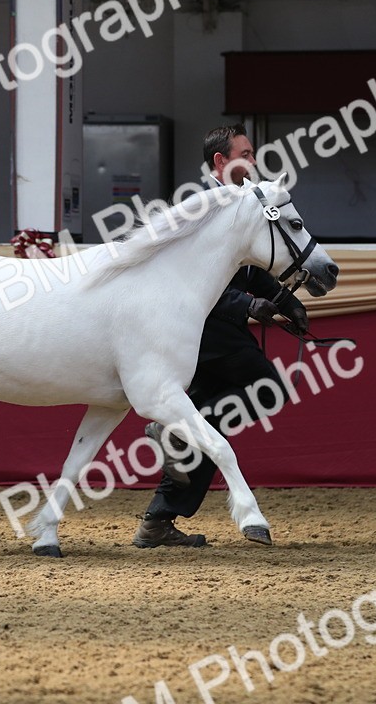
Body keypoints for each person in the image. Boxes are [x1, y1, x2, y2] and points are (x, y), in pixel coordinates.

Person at [132, 124, 309, 550]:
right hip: (202, 330)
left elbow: (251, 268)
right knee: (266, 388)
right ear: (220, 161)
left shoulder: (247, 201)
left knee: (206, 421)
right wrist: (246, 306)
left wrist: (287, 301)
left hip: (216, 329)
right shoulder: (198, 207)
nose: (253, 160)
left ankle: (158, 519)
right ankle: (175, 437)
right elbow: (190, 278)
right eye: (245, 154)